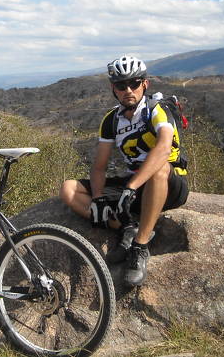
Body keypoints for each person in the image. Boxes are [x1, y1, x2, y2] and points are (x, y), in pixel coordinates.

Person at [60, 55, 189, 286]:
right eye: (121, 85)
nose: (128, 90)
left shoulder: (157, 109)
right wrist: (98, 198)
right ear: (114, 89)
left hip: (170, 185)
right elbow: (99, 167)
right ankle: (125, 228)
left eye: (134, 83)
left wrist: (131, 187)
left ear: (145, 84)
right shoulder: (111, 120)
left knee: (159, 168)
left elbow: (163, 148)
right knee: (69, 189)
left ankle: (140, 247)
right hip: (135, 189)